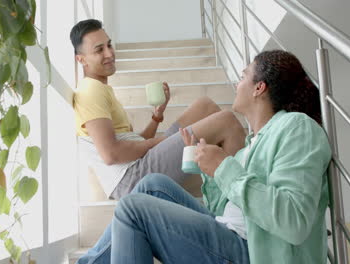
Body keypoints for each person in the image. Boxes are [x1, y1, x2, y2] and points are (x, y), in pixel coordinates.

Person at [76, 50, 332, 264]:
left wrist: (223, 167)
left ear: (259, 88)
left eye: (243, 76)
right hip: (234, 233)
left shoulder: (297, 127)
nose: (236, 83)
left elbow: (295, 221)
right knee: (151, 185)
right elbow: (226, 209)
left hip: (253, 251)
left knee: (132, 209)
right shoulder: (253, 144)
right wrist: (207, 168)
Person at [70, 19, 245, 200]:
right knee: (227, 121)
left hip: (137, 165)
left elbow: (137, 143)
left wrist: (157, 116)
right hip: (132, 180)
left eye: (109, 45)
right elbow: (111, 154)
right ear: (81, 59)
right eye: (99, 50)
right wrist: (161, 142)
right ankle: (239, 202)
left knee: (205, 106)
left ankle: (221, 182)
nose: (109, 53)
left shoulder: (100, 89)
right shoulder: (90, 91)